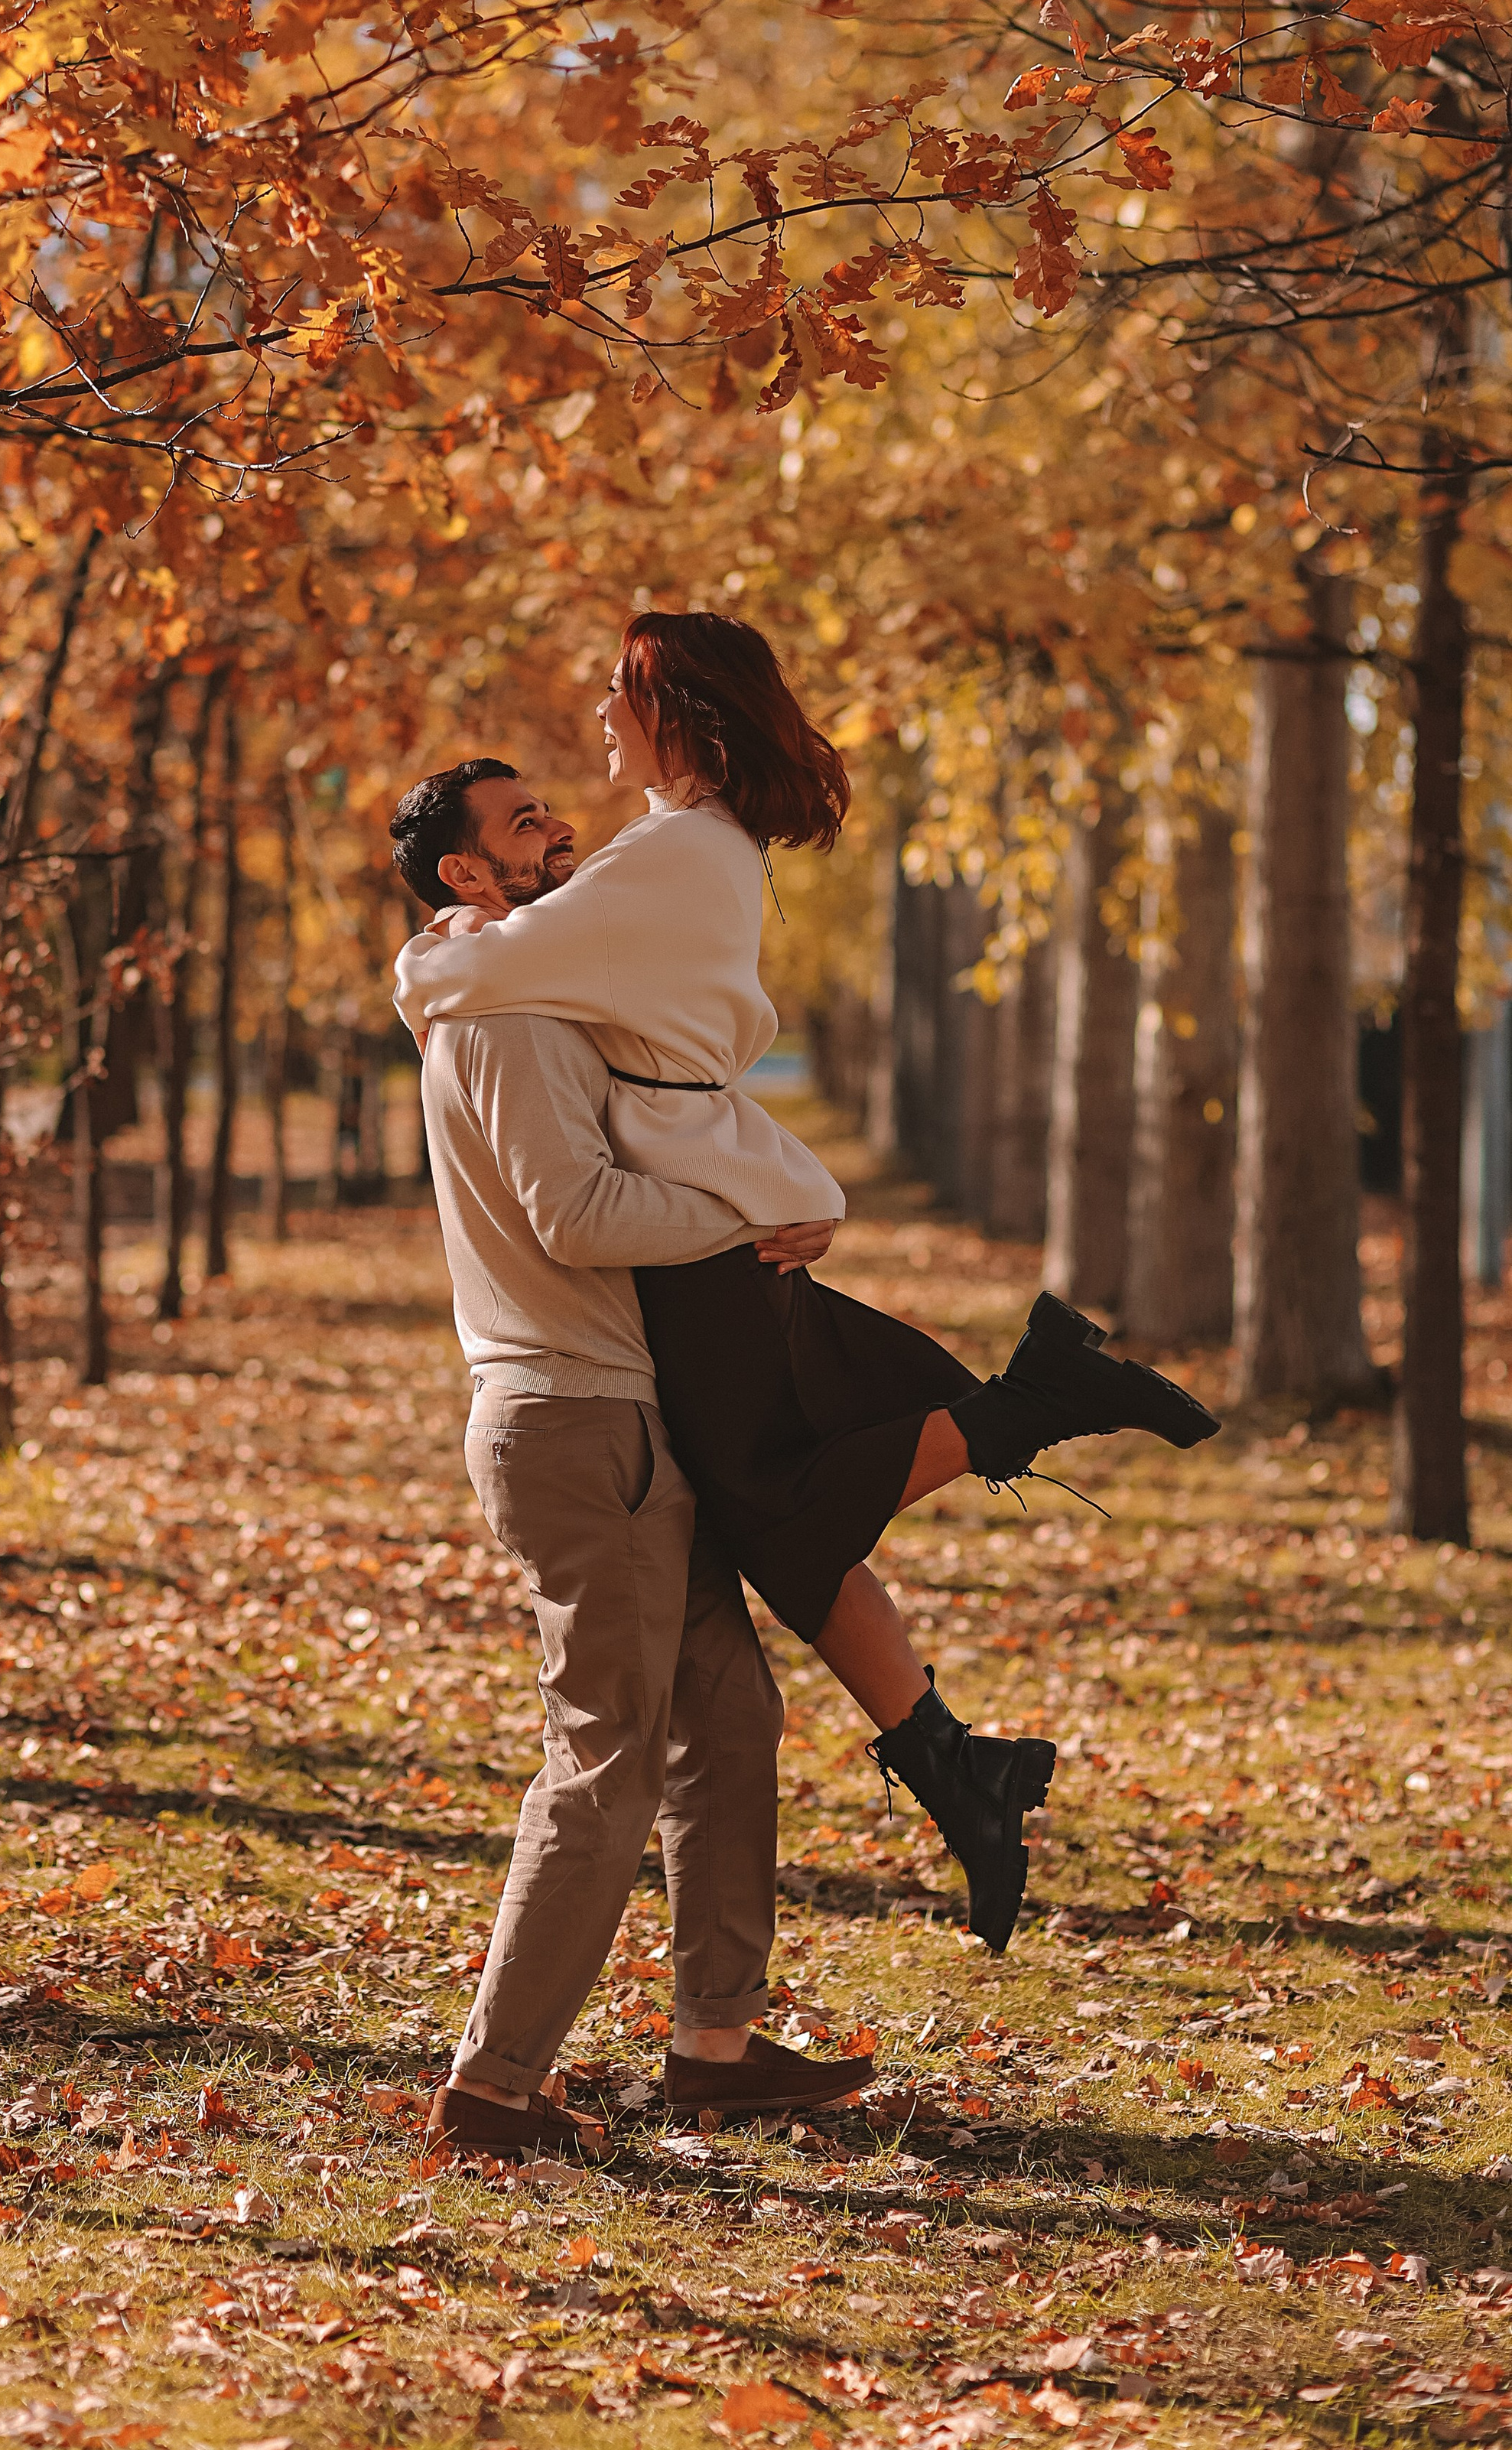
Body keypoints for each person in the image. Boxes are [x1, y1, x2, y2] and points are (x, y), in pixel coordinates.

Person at [392, 618, 1220, 1952]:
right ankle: (956, 1763)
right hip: (704, 1228)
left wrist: (421, 958)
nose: (600, 714)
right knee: (786, 1507)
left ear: (686, 717)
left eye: (623, 693)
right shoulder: (687, 854)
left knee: (783, 1505)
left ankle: (1032, 1409)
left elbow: (482, 973)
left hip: (698, 1244)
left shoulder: (669, 856)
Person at [385, 760, 873, 2162]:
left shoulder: (518, 986)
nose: (560, 830)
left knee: (729, 1721)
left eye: (549, 806)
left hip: (619, 1416)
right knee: (605, 1758)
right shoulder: (512, 1012)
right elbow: (579, 1212)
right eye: (523, 825)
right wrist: (751, 1215)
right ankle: (490, 2097)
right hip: (575, 1420)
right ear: (467, 879)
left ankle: (713, 2049)